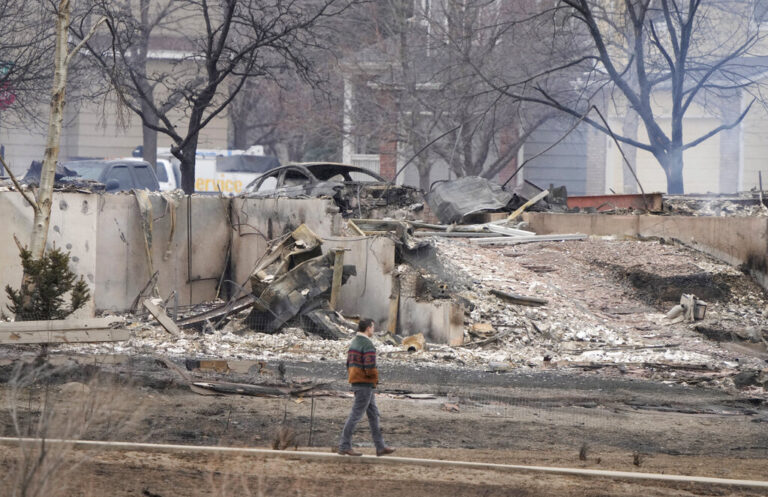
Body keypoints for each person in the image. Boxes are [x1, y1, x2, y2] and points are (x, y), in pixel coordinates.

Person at [337, 318, 395, 457]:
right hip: (365, 384)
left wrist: (355, 378)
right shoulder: (367, 344)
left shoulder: (354, 343)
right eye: (373, 328)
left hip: (358, 382)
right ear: (368, 328)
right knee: (356, 415)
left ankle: (380, 447)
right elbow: (370, 367)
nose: (373, 330)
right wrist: (374, 379)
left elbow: (348, 364)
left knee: (373, 415)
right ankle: (344, 446)